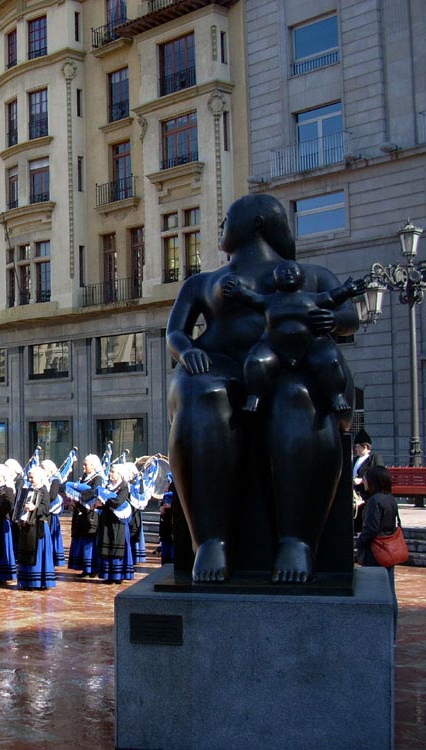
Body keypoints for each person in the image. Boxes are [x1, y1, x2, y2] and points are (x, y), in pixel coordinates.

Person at [167, 193, 359, 583]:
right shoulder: (202, 282)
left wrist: (330, 319)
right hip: (219, 365)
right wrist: (187, 352)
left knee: (297, 397)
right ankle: (210, 540)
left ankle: (298, 540)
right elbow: (175, 332)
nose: (220, 227)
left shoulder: (312, 275)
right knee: (203, 394)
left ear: (256, 222)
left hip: (291, 364)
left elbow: (348, 317)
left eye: (226, 220)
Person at [222, 261, 364, 414]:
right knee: (255, 362)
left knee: (330, 360)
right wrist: (238, 291)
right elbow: (252, 298)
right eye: (282, 272)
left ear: (302, 279)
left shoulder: (312, 299)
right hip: (274, 346)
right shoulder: (269, 300)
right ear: (275, 280)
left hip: (310, 344)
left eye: (292, 271)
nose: (287, 273)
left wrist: (346, 290)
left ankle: (336, 395)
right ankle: (254, 396)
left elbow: (331, 296)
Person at [354, 465, 400, 635]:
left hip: (375, 551)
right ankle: (391, 632)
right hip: (389, 549)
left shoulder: (375, 501)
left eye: (366, 478)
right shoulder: (390, 499)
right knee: (390, 592)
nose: (363, 481)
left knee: (375, 591)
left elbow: (371, 528)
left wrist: (359, 543)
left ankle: (378, 632)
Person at [15, 464, 56, 590]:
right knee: (26, 553)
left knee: (37, 554)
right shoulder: (28, 490)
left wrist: (35, 508)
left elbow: (46, 508)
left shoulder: (43, 490)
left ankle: (37, 582)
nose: (30, 480)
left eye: (32, 477)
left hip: (38, 528)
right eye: (29, 477)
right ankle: (26, 581)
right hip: (27, 527)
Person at [95, 463, 136, 584]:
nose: (110, 474)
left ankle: (118, 575)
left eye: (113, 472)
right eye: (110, 471)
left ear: (120, 474)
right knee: (107, 547)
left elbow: (118, 502)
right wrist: (99, 505)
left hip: (118, 522)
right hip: (107, 521)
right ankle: (108, 575)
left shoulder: (124, 487)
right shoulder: (108, 486)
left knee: (117, 548)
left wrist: (104, 503)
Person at [66, 455, 104, 578]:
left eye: (85, 464)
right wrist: (74, 500)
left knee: (89, 541)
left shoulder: (98, 478)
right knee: (81, 538)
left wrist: (79, 497)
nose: (83, 466)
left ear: (93, 465)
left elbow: (93, 492)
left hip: (90, 514)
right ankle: (83, 567)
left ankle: (92, 568)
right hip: (80, 513)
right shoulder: (83, 477)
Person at [352, 429, 383, 534]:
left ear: (365, 446)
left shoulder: (374, 458)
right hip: (355, 494)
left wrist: (361, 480)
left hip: (367, 494)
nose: (356, 448)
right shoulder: (355, 460)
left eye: (358, 446)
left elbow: (379, 474)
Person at [41, 459, 66, 567]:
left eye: (43, 468)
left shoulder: (54, 480)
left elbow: (52, 495)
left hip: (51, 511)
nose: (41, 470)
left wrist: (41, 501)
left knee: (51, 534)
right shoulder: (42, 479)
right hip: (44, 510)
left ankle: (52, 557)